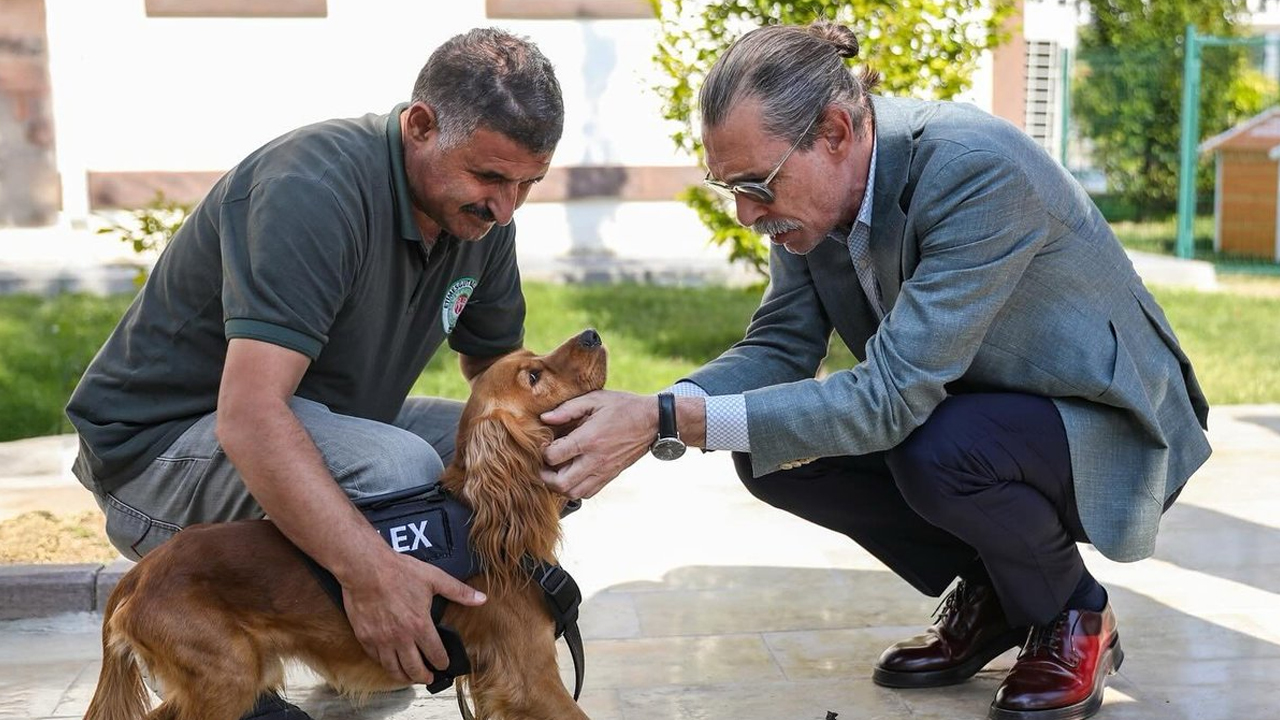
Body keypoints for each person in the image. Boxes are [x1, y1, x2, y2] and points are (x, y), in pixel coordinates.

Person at [540, 21, 1209, 720]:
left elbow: (891, 397)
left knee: (937, 449)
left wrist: (670, 422)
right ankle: (1002, 591)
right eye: (727, 187)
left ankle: (1076, 613)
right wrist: (659, 409)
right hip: (978, 412)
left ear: (834, 130)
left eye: (755, 184)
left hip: (1105, 420)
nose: (744, 213)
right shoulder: (810, 201)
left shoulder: (975, 170)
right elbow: (778, 348)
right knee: (772, 455)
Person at [66, 27, 562, 719]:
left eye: (526, 184)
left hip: (309, 423)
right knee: (401, 472)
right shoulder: (314, 188)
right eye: (489, 177)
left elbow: (496, 378)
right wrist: (369, 577)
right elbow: (251, 416)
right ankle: (362, 628)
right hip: (158, 459)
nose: (506, 207)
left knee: (518, 454)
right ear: (420, 125)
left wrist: (563, 439)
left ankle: (455, 652)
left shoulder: (481, 218)